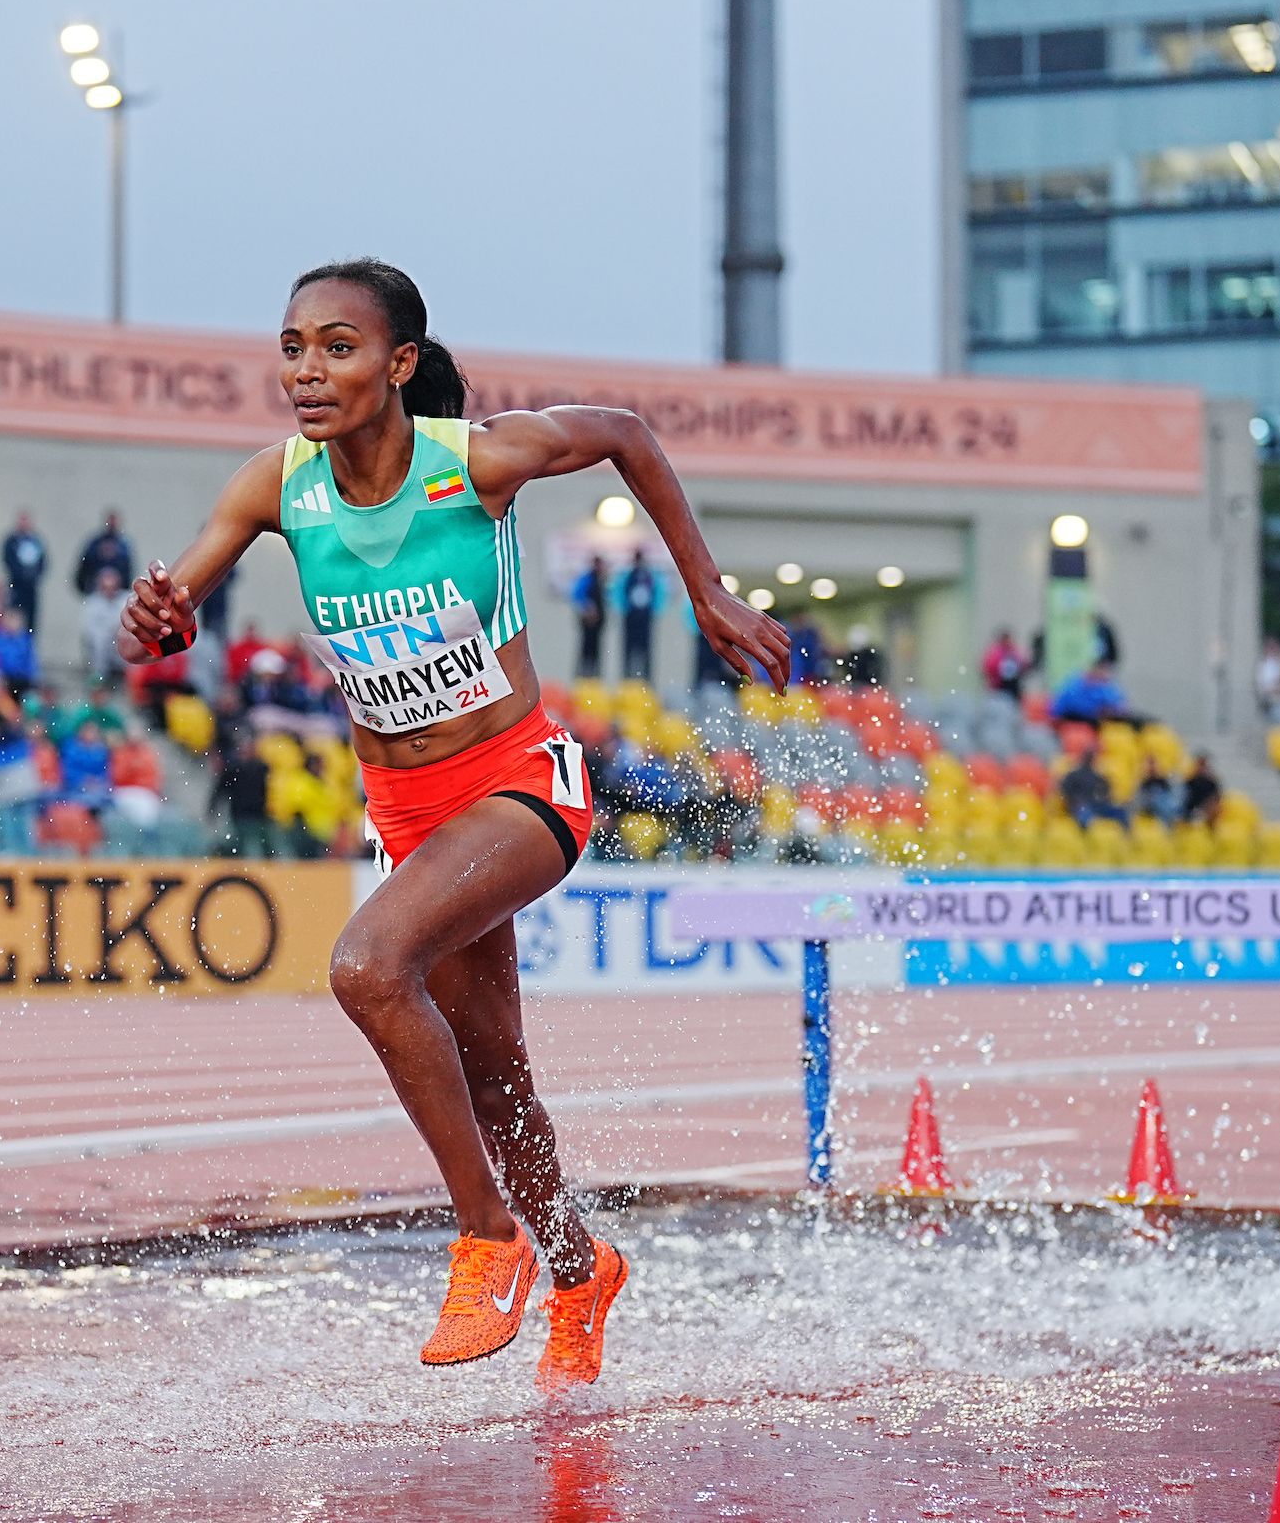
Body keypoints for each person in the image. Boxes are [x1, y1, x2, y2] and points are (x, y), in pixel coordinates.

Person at [117, 258, 788, 1389]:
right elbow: (172, 606)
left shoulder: (471, 463)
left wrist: (705, 590)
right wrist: (160, 615)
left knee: (369, 966)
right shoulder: (276, 488)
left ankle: (487, 1239)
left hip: (522, 781)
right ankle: (583, 1271)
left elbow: (625, 431)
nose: (308, 371)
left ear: (398, 364)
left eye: (338, 345)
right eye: (292, 348)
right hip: (409, 809)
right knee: (498, 1080)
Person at [79, 568, 129, 685]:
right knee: (99, 638)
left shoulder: (126, 599)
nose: (109, 591)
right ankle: (99, 677)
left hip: (121, 640)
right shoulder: (92, 603)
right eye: (106, 588)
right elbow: (88, 629)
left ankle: (131, 676)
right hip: (101, 645)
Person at [618, 551, 660, 683]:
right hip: (631, 618)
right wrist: (625, 609)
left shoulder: (650, 577)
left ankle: (646, 680)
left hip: (645, 618)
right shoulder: (629, 576)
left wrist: (653, 611)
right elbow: (619, 593)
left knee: (645, 651)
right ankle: (627, 679)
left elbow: (658, 594)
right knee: (628, 650)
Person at [1051, 658, 1134, 725]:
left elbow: (1121, 705)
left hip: (1102, 720)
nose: (1102, 672)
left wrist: (1114, 710)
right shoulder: (1074, 684)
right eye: (1099, 668)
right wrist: (1097, 710)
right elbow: (1063, 706)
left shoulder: (1106, 685)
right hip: (1074, 719)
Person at [1, 511, 47, 632]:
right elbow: (7, 561)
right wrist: (20, 575)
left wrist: (34, 577)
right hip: (16, 587)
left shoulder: (36, 541)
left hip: (31, 588)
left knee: (31, 620)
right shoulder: (12, 542)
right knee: (15, 617)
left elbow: (43, 562)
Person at [74, 511, 132, 597]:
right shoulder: (95, 542)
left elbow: (128, 568)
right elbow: (85, 565)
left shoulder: (124, 545)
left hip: (118, 595)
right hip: (95, 592)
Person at [569, 557, 608, 681]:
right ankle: (583, 676)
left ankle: (595, 677)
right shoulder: (587, 579)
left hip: (598, 624)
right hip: (588, 623)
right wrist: (587, 608)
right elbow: (577, 595)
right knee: (586, 650)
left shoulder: (602, 580)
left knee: (596, 651)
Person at [981, 628, 1027, 700]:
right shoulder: (995, 652)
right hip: (999, 685)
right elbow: (988, 667)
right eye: (1006, 639)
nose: (1008, 641)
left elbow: (1022, 664)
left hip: (1013, 685)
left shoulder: (1014, 650)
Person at [1181, 753, 1222, 826]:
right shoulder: (1190, 782)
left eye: (1204, 765)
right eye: (1200, 765)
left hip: (1205, 812)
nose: (1202, 768)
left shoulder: (1211, 783)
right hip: (1191, 813)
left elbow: (1217, 798)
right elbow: (1184, 801)